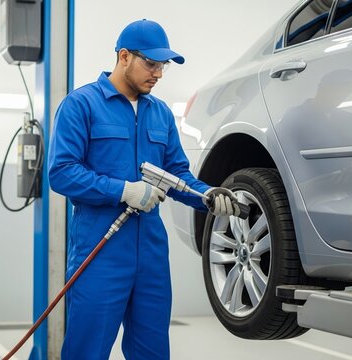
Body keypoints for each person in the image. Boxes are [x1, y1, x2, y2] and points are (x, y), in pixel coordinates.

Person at [48, 19, 241, 359]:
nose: (158, 73)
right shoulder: (81, 105)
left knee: (151, 350)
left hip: (151, 253)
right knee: (87, 349)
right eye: (151, 64)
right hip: (100, 250)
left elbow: (177, 174)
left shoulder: (161, 114)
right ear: (124, 57)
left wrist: (206, 195)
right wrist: (123, 190)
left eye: (162, 66)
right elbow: (62, 173)